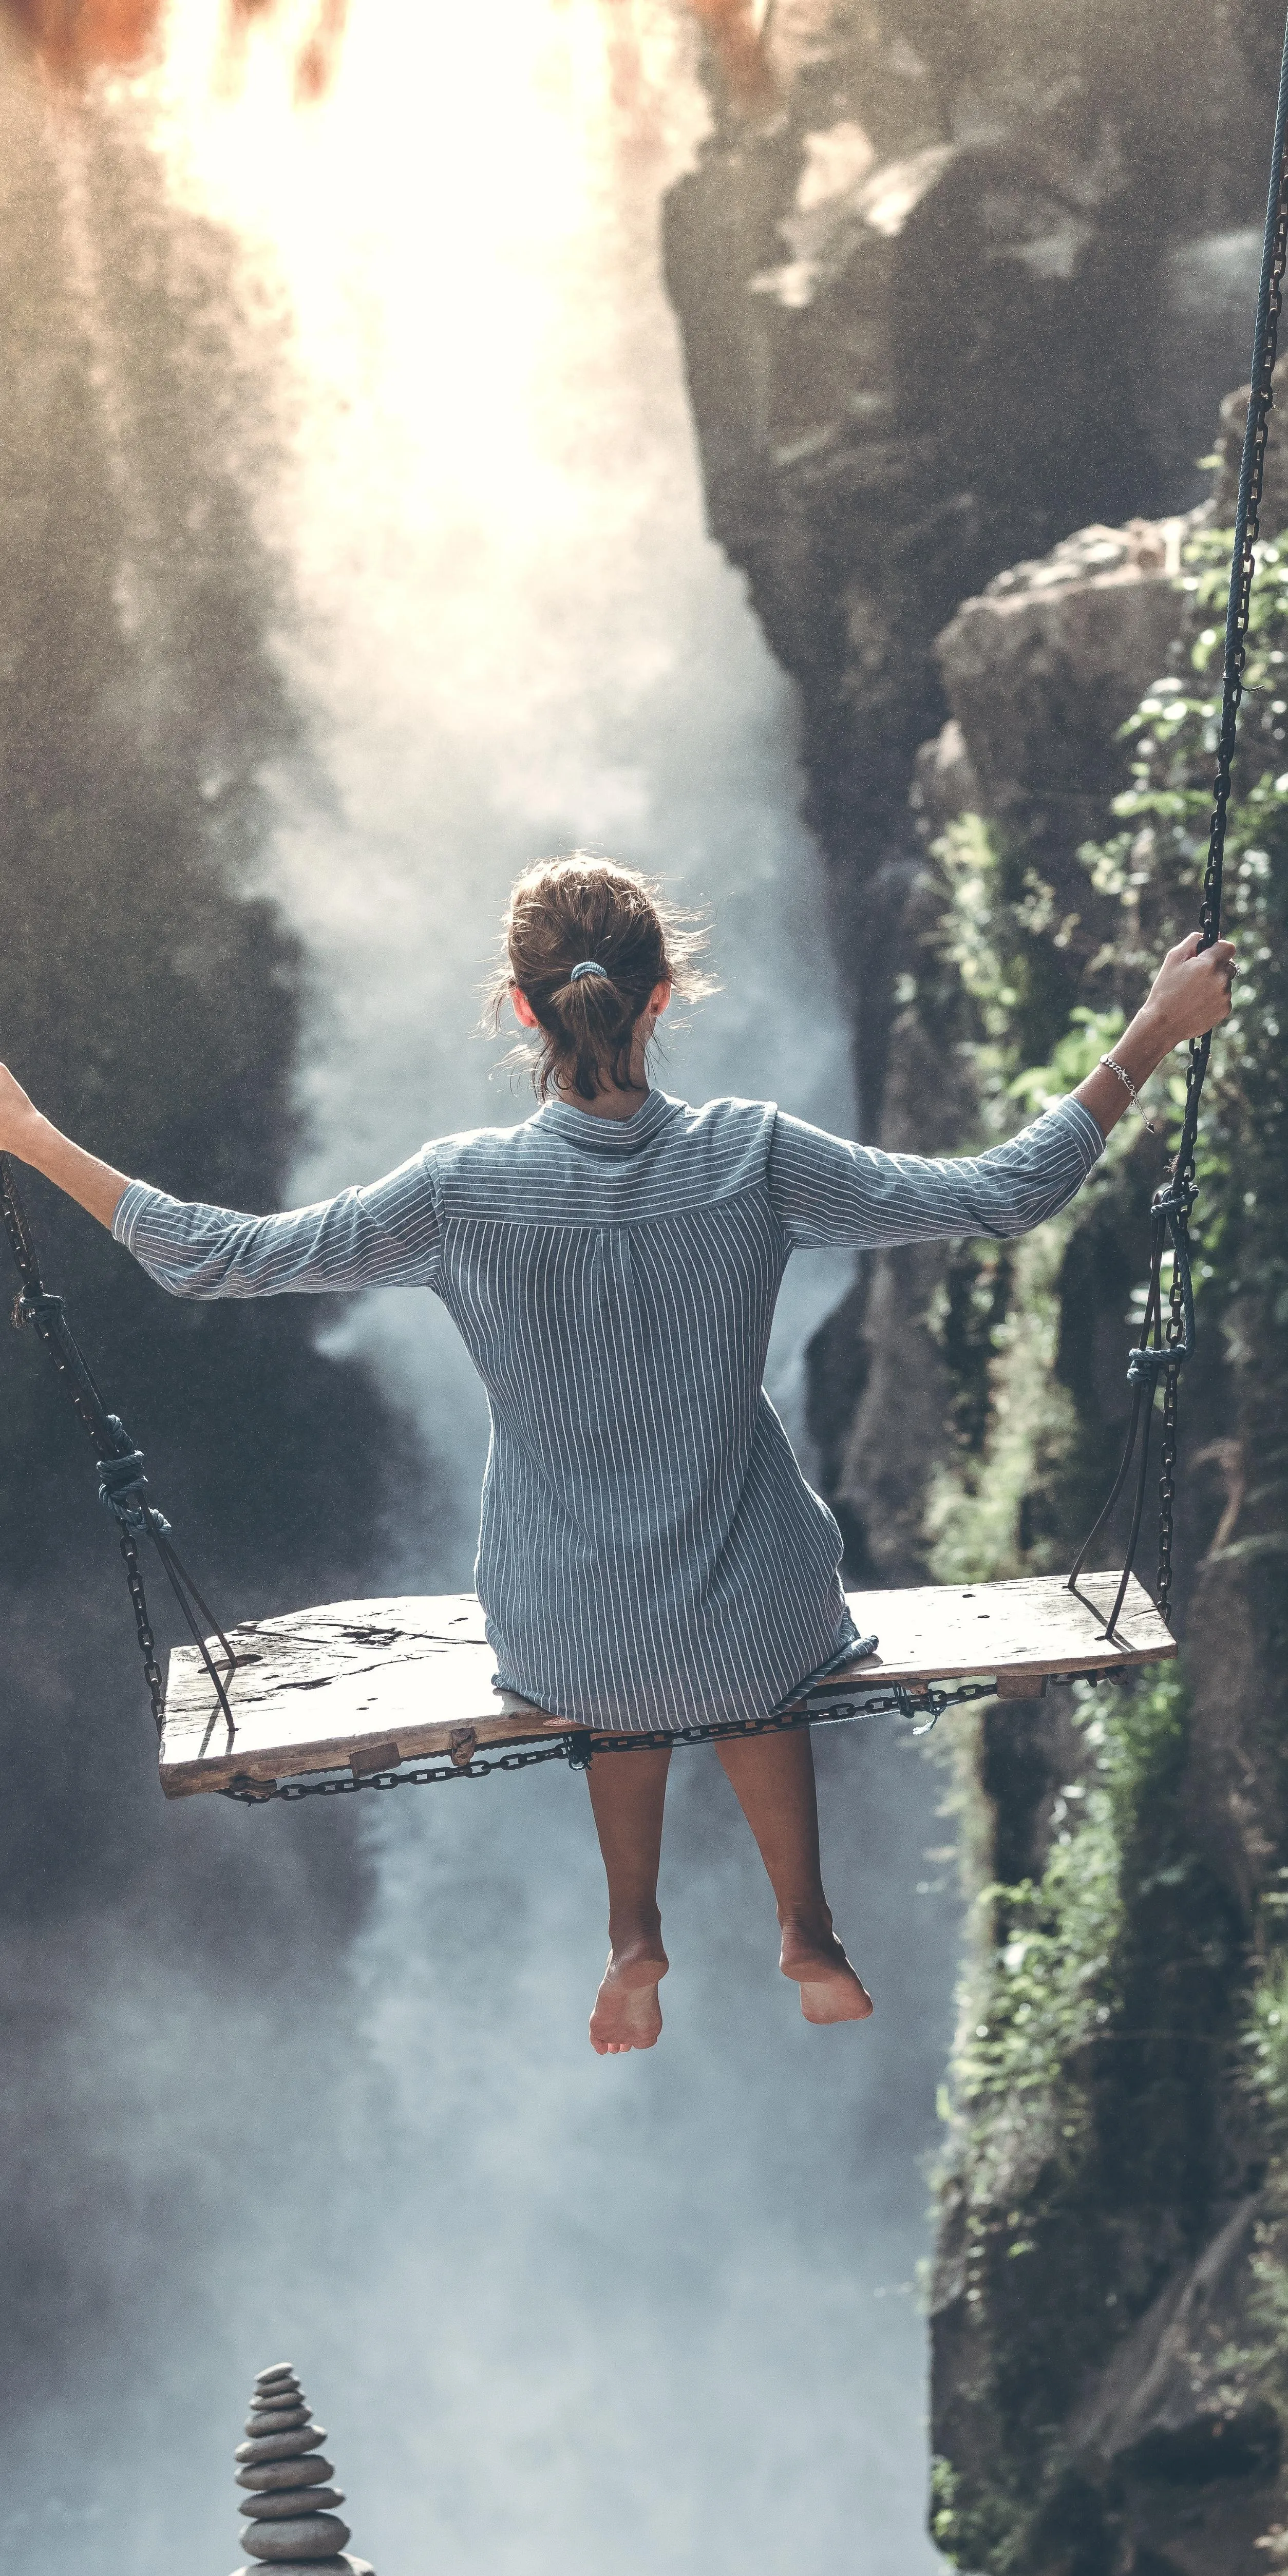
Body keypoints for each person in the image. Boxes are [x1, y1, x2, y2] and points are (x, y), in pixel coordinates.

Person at [0, 857, 1237, 2053]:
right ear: (662, 997)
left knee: (617, 1631)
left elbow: (221, 1256)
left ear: (522, 1009)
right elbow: (1002, 1193)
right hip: (759, 1617)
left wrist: (33, 1133)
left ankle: (633, 1933)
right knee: (743, 1606)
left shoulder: (458, 1189)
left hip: (568, 1638)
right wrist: (1150, 1032)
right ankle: (805, 1925)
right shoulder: (753, 1155)